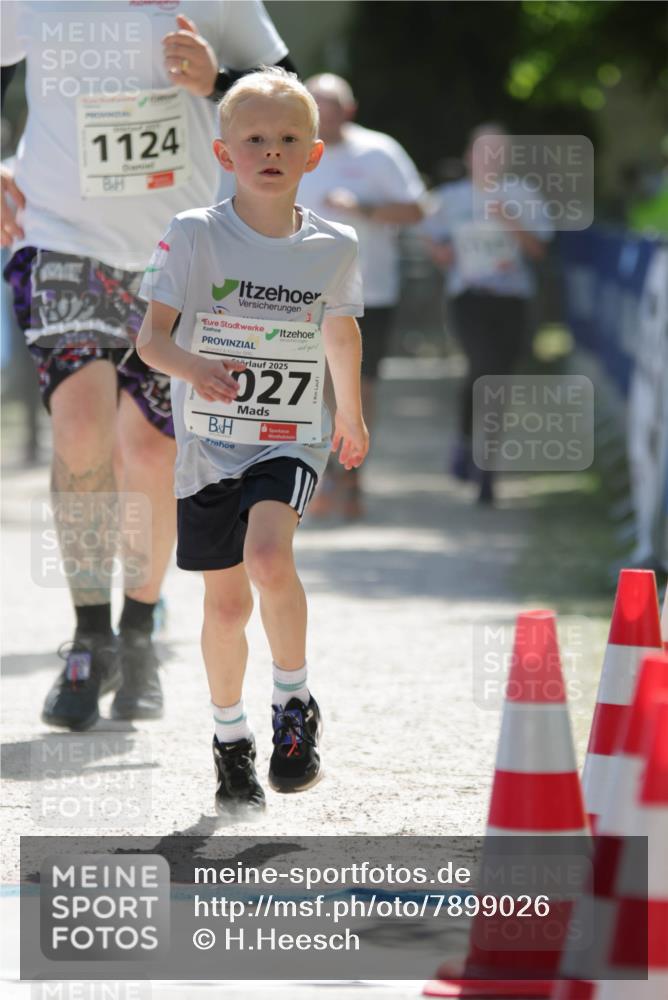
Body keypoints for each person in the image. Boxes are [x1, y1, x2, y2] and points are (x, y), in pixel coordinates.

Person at [0, 1, 297, 730]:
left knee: (152, 449)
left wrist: (218, 82)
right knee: (79, 426)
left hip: (180, 249)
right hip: (61, 236)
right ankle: (90, 634)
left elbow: (290, 94)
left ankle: (138, 630)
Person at [137, 67, 368, 810]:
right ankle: (230, 741)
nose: (272, 150)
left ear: (314, 155)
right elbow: (150, 341)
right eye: (255, 139)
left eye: (289, 138)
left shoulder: (334, 245)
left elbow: (340, 331)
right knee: (227, 606)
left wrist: (350, 414)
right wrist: (194, 367)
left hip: (287, 437)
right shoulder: (194, 234)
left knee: (270, 554)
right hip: (208, 444)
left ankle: (293, 707)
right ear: (223, 153)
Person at [298, 73, 425, 519]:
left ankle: (351, 478)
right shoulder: (291, 148)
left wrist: (363, 209)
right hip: (302, 296)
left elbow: (416, 210)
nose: (323, 112)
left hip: (372, 291)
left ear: (349, 110)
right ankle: (326, 477)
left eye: (331, 104)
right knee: (315, 389)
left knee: (361, 389)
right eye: (315, 103)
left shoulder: (378, 151)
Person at [422, 124, 553, 504]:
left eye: (499, 152)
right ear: (469, 157)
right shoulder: (452, 197)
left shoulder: (524, 195)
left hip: (512, 298)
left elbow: (539, 250)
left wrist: (512, 221)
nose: (490, 160)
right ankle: (466, 439)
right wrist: (441, 254)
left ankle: (487, 467)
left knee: (500, 380)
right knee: (481, 367)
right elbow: (428, 232)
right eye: (484, 152)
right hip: (469, 298)